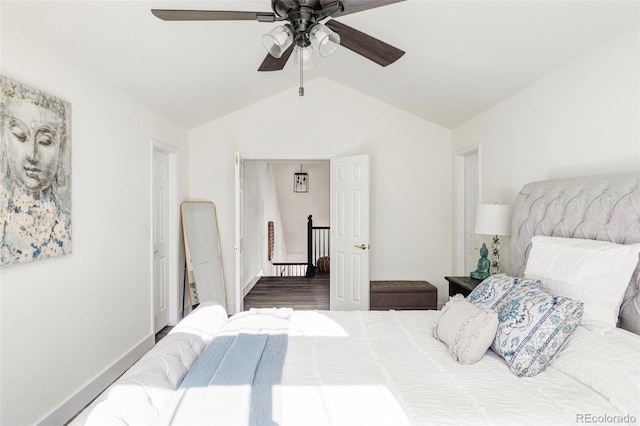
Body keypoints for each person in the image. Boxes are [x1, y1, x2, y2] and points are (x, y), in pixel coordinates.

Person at [0, 76, 71, 265]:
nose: (32, 154)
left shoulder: (66, 222)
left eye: (45, 141)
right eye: (20, 136)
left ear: (62, 146)